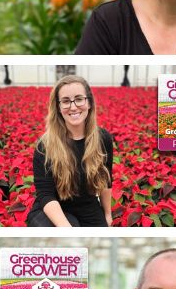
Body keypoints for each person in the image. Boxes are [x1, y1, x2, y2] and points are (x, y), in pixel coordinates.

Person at [27, 75, 113, 227]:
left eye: (79, 99)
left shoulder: (102, 138)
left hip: (87, 206)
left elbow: (106, 180)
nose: (73, 107)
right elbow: (45, 195)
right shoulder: (45, 145)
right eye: (66, 101)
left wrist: (107, 215)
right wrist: (68, 229)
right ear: (58, 107)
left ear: (89, 103)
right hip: (51, 210)